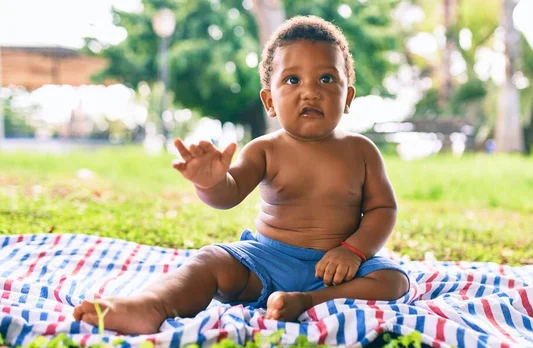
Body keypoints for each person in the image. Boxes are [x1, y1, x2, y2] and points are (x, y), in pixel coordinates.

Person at [73, 15, 409, 335]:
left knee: (394, 280)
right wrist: (212, 182)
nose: (311, 91)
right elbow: (229, 194)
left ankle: (306, 302)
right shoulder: (265, 150)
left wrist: (353, 250)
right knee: (209, 260)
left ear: (347, 96)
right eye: (292, 80)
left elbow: (382, 210)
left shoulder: (361, 152)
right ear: (270, 102)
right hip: (266, 263)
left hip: (339, 272)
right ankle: (151, 305)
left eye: (326, 78)